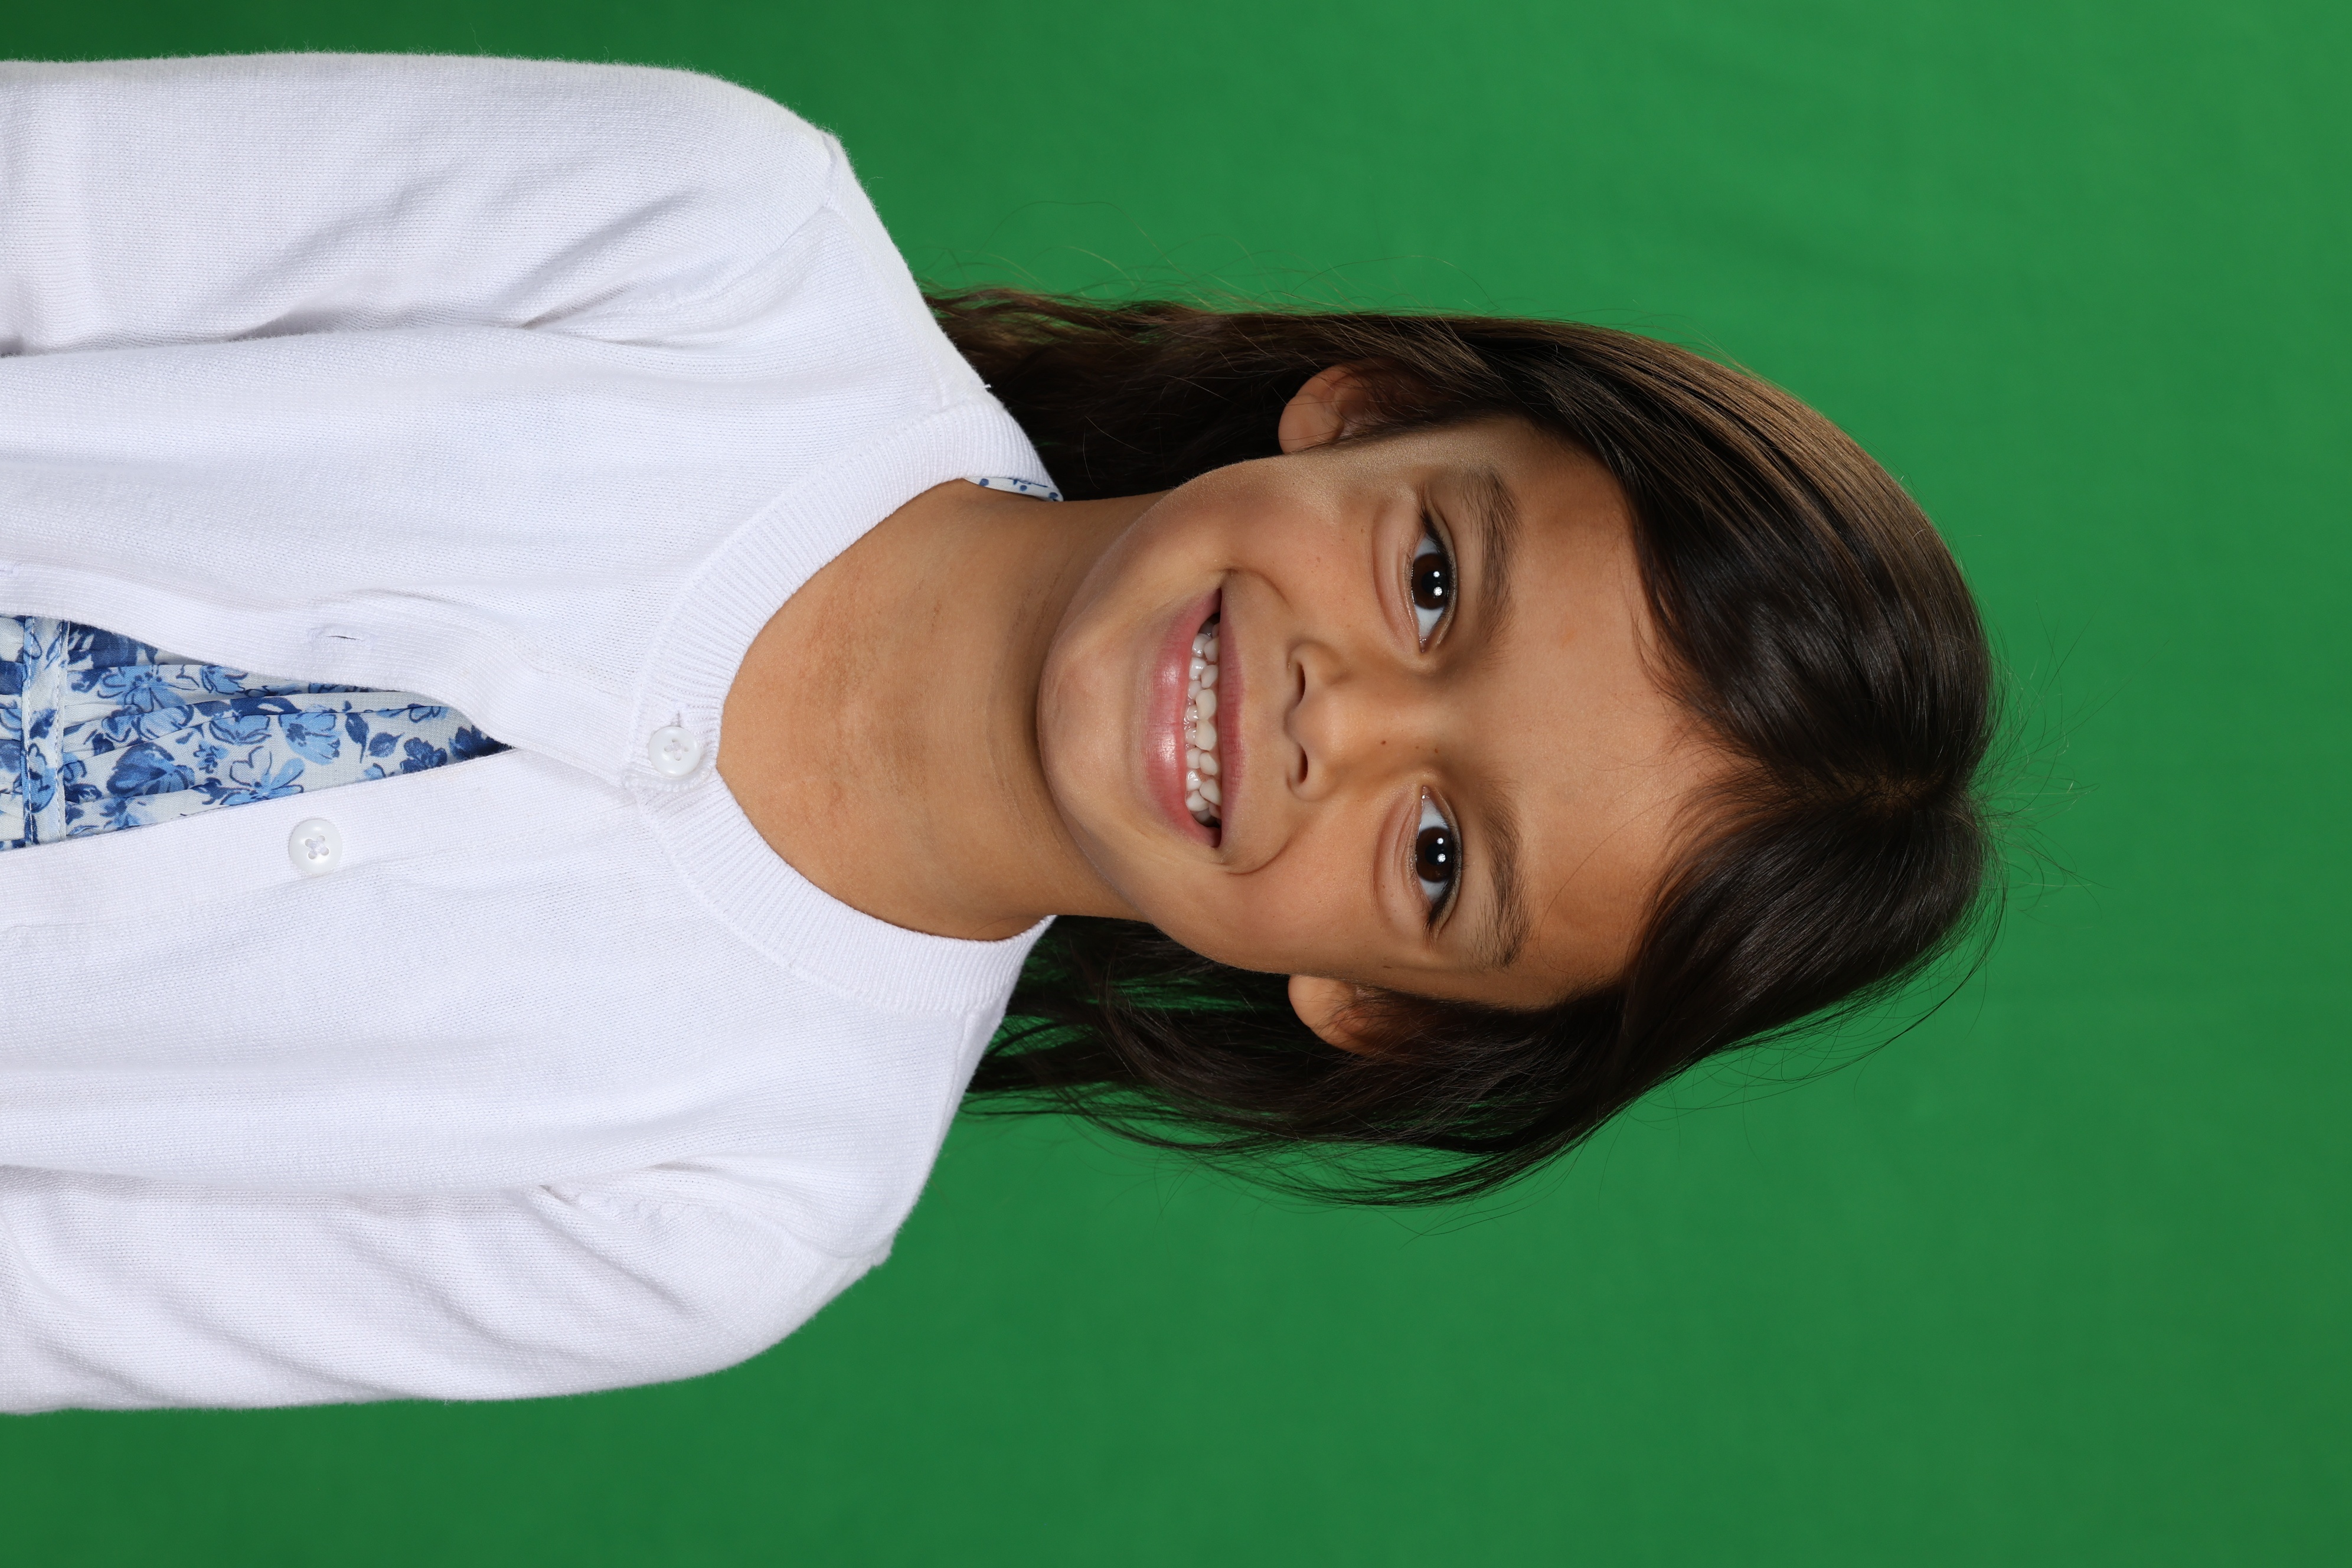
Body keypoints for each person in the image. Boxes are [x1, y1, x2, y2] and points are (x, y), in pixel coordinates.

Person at [0, 51, 1996, 1412]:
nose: (1345, 719)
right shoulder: (719, 237)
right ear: (1368, 414)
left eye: (1440, 853)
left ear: (1380, 1007)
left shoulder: (737, 1207)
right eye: (1433, 584)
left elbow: (47, 1300)